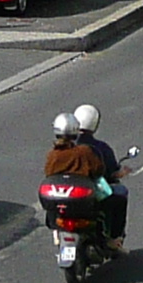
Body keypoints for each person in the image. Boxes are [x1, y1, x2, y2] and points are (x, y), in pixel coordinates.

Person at [42, 104, 127, 252]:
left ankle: (57, 231)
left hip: (62, 200)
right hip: (86, 200)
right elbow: (99, 171)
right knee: (119, 196)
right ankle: (114, 238)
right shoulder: (87, 151)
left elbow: (49, 174)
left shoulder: (52, 154)